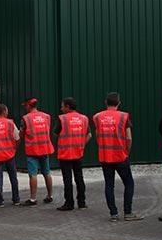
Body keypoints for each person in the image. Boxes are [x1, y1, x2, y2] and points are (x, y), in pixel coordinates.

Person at [93, 93, 142, 221]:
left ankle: (113, 214)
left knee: (109, 185)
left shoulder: (97, 117)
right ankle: (128, 212)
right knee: (129, 183)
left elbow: (98, 135)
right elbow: (129, 138)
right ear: (119, 103)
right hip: (120, 156)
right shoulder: (123, 116)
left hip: (105, 156)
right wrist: (126, 151)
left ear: (106, 102)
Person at [55, 97, 91, 211]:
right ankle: (82, 202)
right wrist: (81, 144)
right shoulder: (84, 118)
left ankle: (69, 203)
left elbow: (55, 133)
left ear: (67, 107)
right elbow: (89, 135)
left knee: (67, 179)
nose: (61, 108)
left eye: (62, 106)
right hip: (78, 153)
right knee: (79, 178)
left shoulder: (62, 119)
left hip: (65, 154)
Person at [19, 98, 54, 206]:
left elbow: (21, 133)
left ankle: (33, 199)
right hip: (45, 148)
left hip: (32, 150)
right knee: (47, 173)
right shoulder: (46, 117)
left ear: (29, 106)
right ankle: (50, 196)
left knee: (33, 174)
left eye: (26, 106)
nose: (25, 107)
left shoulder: (25, 119)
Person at [0, 102, 20, 207]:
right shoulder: (10, 123)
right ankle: (16, 199)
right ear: (5, 111)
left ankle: (0, 200)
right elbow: (17, 138)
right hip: (10, 154)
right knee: (13, 178)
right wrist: (14, 147)